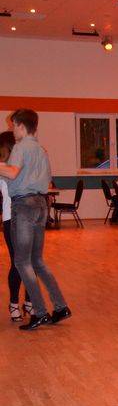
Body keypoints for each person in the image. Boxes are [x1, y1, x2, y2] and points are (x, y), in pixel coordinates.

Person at [0, 109, 71, 330]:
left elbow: (13, 173)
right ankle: (60, 307)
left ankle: (39, 312)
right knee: (37, 261)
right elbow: (45, 179)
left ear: (21, 126)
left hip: (24, 205)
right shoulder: (40, 150)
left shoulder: (21, 147)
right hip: (41, 204)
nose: (12, 129)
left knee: (22, 262)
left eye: (13, 125)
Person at [0, 130, 33, 321]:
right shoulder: (3, 168)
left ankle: (29, 301)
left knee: (31, 262)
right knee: (18, 263)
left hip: (28, 218)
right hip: (11, 219)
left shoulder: (21, 165)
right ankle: (14, 303)